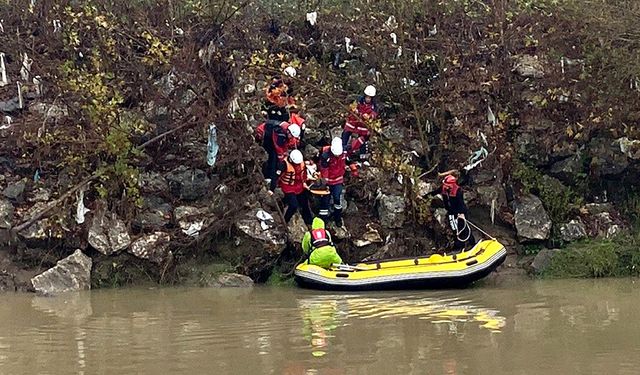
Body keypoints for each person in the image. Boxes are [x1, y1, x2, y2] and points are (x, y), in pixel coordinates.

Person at [425, 171, 476, 252]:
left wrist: (461, 214)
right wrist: (424, 197)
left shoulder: (458, 191)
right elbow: (434, 193)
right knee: (454, 228)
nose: (445, 187)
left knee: (463, 228)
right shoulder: (443, 188)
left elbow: (461, 203)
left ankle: (471, 243)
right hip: (451, 212)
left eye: (447, 185)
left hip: (460, 212)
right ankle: (457, 246)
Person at [270, 149, 313, 225]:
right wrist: (271, 189)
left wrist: (305, 182)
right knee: (293, 205)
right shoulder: (283, 165)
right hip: (288, 187)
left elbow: (304, 174)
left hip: (299, 186)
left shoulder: (301, 162)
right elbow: (276, 177)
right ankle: (285, 221)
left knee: (305, 202)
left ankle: (309, 221)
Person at [341, 85, 379, 157]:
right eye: (367, 97)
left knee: (363, 138)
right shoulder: (359, 101)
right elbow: (352, 108)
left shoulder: (374, 106)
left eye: (369, 98)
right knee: (346, 132)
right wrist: (355, 111)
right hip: (354, 122)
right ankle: (343, 149)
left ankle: (361, 153)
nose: (368, 99)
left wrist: (369, 116)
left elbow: (374, 114)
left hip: (364, 125)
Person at [318, 137, 348, 227]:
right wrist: (325, 181)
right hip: (328, 180)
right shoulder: (325, 155)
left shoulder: (344, 152)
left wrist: (350, 166)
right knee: (324, 201)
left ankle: (337, 218)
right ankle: (323, 221)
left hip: (338, 179)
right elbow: (324, 168)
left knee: (337, 198)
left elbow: (347, 160)